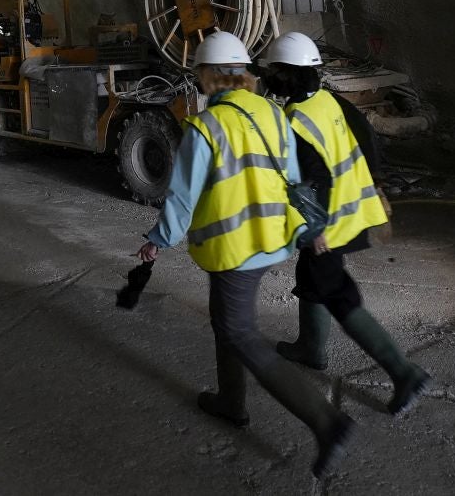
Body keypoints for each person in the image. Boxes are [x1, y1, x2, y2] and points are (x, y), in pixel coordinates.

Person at [136, 31, 356, 478]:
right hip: (269, 242)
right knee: (228, 322)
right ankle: (230, 402)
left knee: (241, 333)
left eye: (199, 73)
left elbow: (182, 198)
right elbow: (295, 181)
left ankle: (326, 421)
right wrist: (310, 229)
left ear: (209, 77)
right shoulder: (274, 114)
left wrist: (158, 239)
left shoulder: (206, 128)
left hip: (232, 250)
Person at [262, 31, 431, 416]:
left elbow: (308, 184)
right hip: (356, 211)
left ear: (285, 76)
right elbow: (368, 140)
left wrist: (314, 229)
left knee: (339, 295)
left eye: (274, 70)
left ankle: (404, 373)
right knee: (313, 276)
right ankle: (311, 347)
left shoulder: (294, 123)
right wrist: (377, 186)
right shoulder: (330, 101)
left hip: (330, 225)